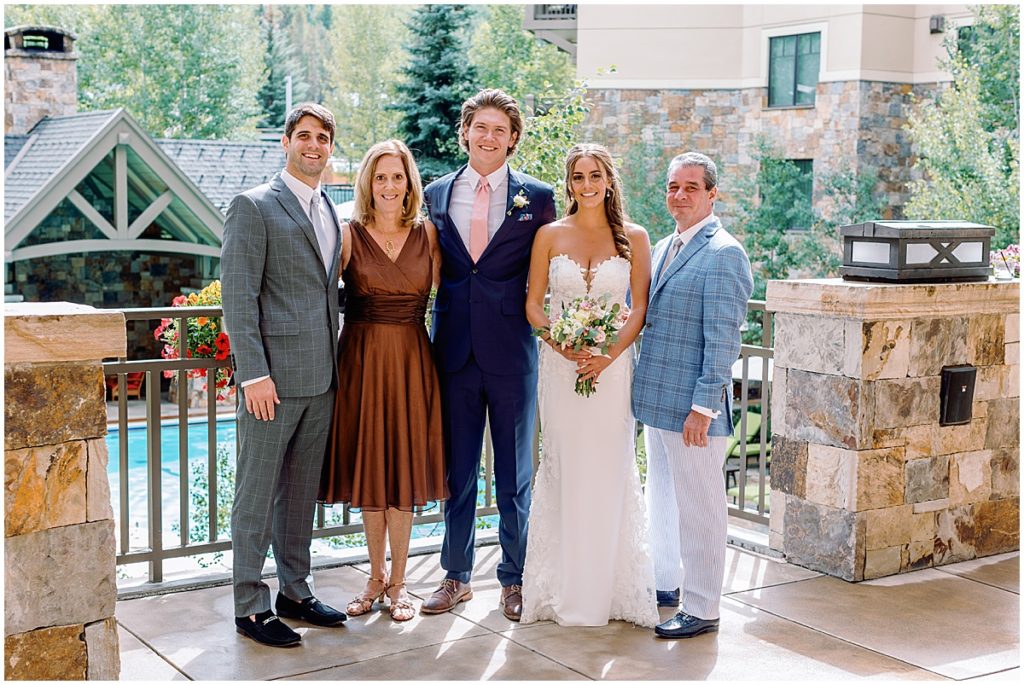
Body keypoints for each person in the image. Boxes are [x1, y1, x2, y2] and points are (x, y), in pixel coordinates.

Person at [419, 89, 556, 622]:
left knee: (515, 476)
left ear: (513, 138)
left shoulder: (538, 199)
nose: (489, 136)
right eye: (481, 127)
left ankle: (514, 578)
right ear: (466, 132)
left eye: (500, 129)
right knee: (457, 472)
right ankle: (455, 577)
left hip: (512, 353)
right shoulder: (435, 194)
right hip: (452, 351)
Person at [221, 103, 347, 648]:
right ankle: (250, 605)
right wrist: (253, 375)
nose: (313, 146)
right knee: (255, 493)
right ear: (286, 142)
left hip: (322, 377)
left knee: (299, 494)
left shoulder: (330, 212)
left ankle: (295, 590)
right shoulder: (253, 206)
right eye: (304, 136)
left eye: (323, 138)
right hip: (271, 382)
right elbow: (238, 297)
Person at [521, 144, 659, 627]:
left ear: (608, 179)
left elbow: (638, 307)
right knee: (564, 467)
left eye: (595, 175)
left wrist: (606, 355)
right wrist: (561, 345)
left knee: (608, 468)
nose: (586, 184)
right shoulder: (548, 235)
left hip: (611, 370)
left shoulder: (634, 238)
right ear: (569, 183)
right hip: (561, 371)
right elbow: (534, 305)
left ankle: (606, 590)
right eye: (578, 176)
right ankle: (561, 588)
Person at [319, 139, 447, 622]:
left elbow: (455, 300)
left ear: (409, 183)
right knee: (373, 466)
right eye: (380, 177)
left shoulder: (428, 235)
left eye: (397, 177)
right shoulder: (349, 234)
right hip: (363, 363)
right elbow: (318, 295)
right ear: (368, 184)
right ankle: (374, 576)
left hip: (414, 362)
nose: (389, 186)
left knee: (405, 469)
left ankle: (400, 584)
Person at [632, 151, 754, 639]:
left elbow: (725, 340)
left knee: (702, 507)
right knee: (662, 496)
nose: (679, 196)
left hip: (692, 410)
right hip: (656, 402)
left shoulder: (725, 253)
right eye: (672, 187)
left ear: (711, 194)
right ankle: (668, 583)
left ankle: (703, 606)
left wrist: (703, 408)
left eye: (690, 188)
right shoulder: (663, 246)